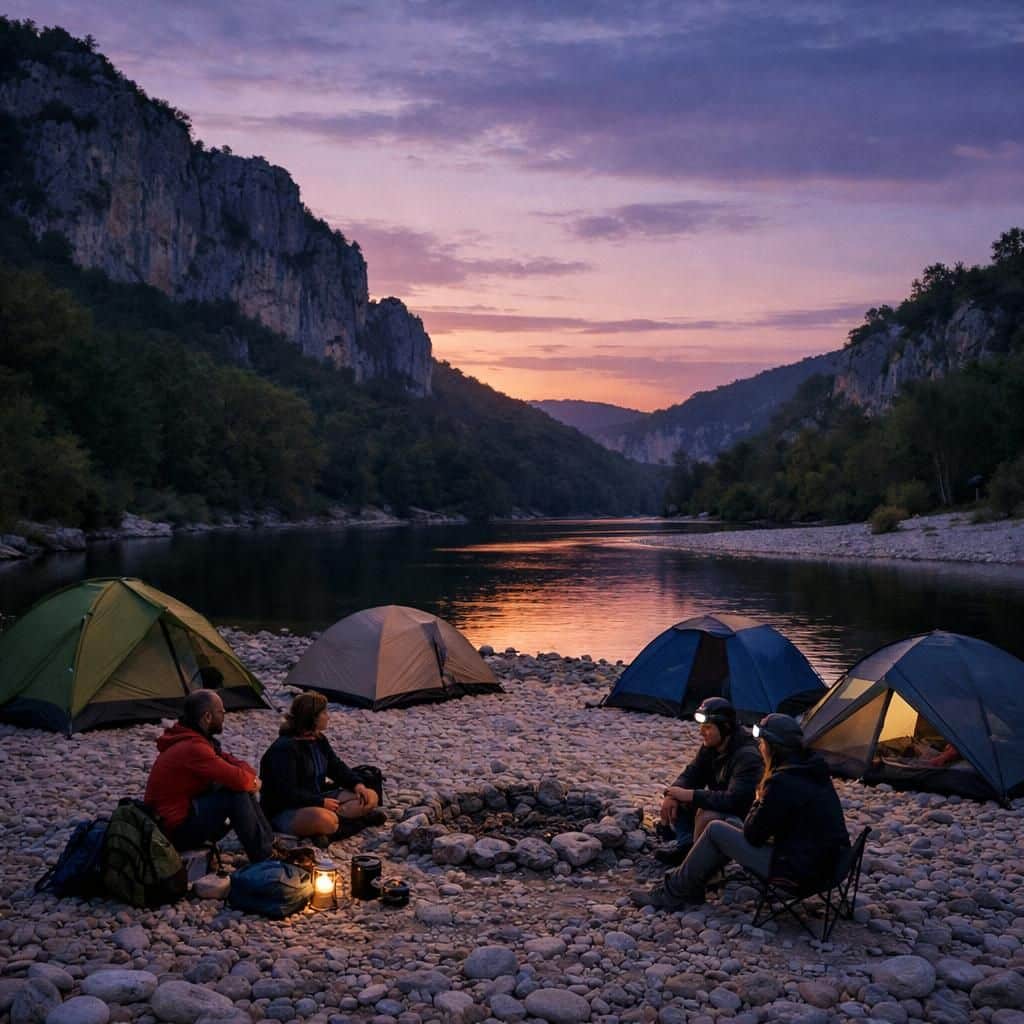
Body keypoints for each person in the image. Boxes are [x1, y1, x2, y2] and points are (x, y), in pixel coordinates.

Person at [633, 713, 850, 910]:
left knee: (716, 830)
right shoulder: (811, 770)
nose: (760, 748)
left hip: (797, 872)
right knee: (714, 817)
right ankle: (694, 883)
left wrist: (759, 797)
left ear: (772, 748)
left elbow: (754, 835)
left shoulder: (782, 781)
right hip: (828, 866)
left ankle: (673, 892)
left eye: (763, 743)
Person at [144, 689, 274, 863]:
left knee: (236, 788)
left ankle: (269, 846)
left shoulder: (195, 741)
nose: (224, 716)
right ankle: (265, 858)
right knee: (234, 794)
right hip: (172, 833)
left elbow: (236, 766)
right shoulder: (193, 748)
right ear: (207, 717)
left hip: (181, 820)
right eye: (221, 712)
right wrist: (252, 782)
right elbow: (240, 780)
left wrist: (251, 780)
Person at [259, 692, 385, 843]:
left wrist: (357, 785)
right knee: (326, 819)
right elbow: (287, 793)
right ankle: (356, 823)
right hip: (286, 809)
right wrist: (320, 803)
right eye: (324, 713)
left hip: (316, 797)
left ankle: (328, 830)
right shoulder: (285, 749)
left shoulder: (318, 739)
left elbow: (335, 766)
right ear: (312, 717)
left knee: (370, 797)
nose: (328, 717)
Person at [653, 697, 762, 865]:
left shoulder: (747, 755)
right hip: (718, 802)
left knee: (706, 813)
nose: (701, 732)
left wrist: (691, 795)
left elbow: (737, 801)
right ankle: (686, 845)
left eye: (708, 727)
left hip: (738, 816)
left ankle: (698, 861)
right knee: (680, 799)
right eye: (701, 727)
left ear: (725, 728)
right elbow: (692, 774)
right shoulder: (711, 746)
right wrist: (672, 793)